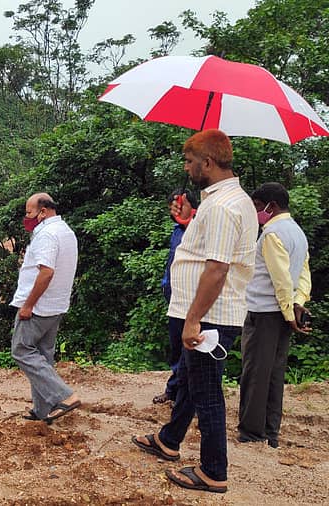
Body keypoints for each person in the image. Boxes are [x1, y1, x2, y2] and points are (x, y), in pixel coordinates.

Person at [132, 129, 257, 494]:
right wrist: (189, 221)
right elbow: (209, 248)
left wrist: (192, 320)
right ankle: (169, 439)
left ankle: (213, 471)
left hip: (209, 316)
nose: (187, 169)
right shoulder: (224, 201)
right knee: (189, 379)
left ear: (208, 162)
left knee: (206, 392)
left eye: (189, 162)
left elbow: (216, 269)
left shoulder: (222, 207)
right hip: (209, 312)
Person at [238, 182, 311, 449]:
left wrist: (288, 310)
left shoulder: (271, 234)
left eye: (258, 207)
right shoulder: (298, 233)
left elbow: (280, 278)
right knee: (274, 373)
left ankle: (251, 432)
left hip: (265, 312)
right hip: (283, 313)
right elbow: (303, 274)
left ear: (272, 206)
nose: (257, 213)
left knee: (256, 372)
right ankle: (271, 431)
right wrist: (297, 303)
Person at [11, 192, 81, 424]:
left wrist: (28, 305)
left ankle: (64, 396)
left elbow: (47, 272)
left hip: (39, 307)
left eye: (29, 213)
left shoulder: (47, 235)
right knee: (43, 355)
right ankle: (42, 411)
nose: (27, 218)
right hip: (56, 305)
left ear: (43, 211)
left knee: (21, 350)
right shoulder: (65, 231)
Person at [153, 190, 198, 406]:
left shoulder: (199, 228)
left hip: (193, 300)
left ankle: (186, 397)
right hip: (174, 297)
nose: (174, 210)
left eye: (179, 205)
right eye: (172, 206)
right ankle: (173, 390)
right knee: (176, 349)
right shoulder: (176, 230)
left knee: (191, 351)